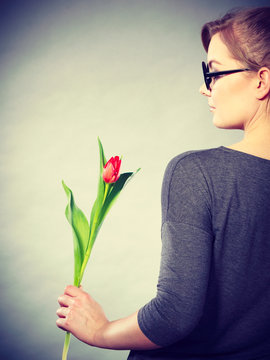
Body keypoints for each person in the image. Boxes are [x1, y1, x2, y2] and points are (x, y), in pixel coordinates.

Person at [56, 7, 270, 359]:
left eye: (213, 72)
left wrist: (101, 331)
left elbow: (174, 316)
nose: (205, 88)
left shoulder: (196, 172)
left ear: (261, 81)